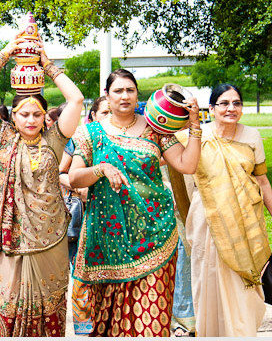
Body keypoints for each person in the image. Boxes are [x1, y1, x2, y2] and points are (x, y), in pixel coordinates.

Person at [68, 69, 202, 337]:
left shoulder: (156, 130)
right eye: (118, 90)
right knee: (108, 324)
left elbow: (187, 165)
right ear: (107, 95)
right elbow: (74, 178)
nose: (125, 96)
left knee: (150, 324)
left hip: (155, 238)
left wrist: (195, 124)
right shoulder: (90, 133)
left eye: (130, 90)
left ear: (137, 93)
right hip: (106, 241)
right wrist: (101, 168)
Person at [0, 37, 83, 336]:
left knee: (50, 306)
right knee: (9, 305)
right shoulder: (1, 137)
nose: (31, 120)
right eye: (24, 114)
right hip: (12, 240)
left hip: (51, 236)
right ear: (13, 116)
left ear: (45, 116)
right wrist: (4, 55)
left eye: (37, 114)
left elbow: (75, 100)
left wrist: (47, 66)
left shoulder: (55, 139)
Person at [177, 83, 272, 337]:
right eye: (224, 103)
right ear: (211, 108)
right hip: (208, 220)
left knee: (243, 282)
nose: (231, 108)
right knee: (209, 277)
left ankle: (241, 333)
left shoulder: (252, 136)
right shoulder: (196, 136)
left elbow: (262, 181)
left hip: (246, 222)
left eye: (236, 103)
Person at [58, 95, 109, 336]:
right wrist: (81, 188)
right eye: (104, 113)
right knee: (80, 272)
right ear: (94, 116)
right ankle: (84, 327)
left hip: (114, 218)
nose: (110, 117)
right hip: (82, 215)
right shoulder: (82, 138)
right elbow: (60, 172)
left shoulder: (130, 138)